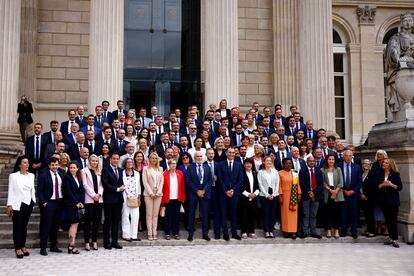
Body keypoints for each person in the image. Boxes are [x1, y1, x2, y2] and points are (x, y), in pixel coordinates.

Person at [6, 156, 36, 258]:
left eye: (28, 163)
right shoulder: (13, 176)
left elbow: (32, 189)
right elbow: (11, 190)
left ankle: (23, 246)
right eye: (24, 162)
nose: (27, 164)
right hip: (17, 204)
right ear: (19, 164)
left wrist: (33, 201)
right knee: (17, 226)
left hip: (28, 203)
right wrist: (9, 205)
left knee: (24, 226)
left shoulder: (32, 175)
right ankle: (17, 248)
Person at [37, 157, 65, 256]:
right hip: (49, 203)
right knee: (46, 226)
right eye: (52, 165)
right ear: (49, 166)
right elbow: (39, 191)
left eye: (56, 164)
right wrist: (44, 202)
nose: (54, 166)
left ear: (58, 165)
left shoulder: (62, 174)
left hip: (59, 203)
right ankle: (43, 248)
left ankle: (54, 246)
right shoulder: (44, 175)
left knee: (56, 226)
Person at [217, 147, 243, 241]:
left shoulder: (238, 165)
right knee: (223, 213)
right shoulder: (220, 165)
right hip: (223, 193)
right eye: (230, 152)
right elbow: (219, 179)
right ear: (226, 153)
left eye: (233, 153)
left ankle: (234, 233)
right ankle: (225, 233)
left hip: (234, 193)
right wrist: (226, 191)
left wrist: (233, 190)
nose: (232, 154)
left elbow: (240, 180)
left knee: (233, 213)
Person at [186, 151, 213, 241]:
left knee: (205, 214)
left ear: (203, 157)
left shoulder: (207, 167)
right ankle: (190, 234)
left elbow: (210, 180)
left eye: (201, 156)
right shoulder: (190, 167)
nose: (199, 158)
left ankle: (205, 234)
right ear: (194, 158)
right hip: (194, 193)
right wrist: (197, 191)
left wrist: (204, 190)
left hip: (205, 193)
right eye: (197, 156)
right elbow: (188, 181)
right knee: (191, 214)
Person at [377, 158, 403, 248]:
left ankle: (395, 239)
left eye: (386, 163)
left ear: (390, 165)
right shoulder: (380, 173)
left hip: (393, 201)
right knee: (387, 221)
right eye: (383, 162)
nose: (384, 164)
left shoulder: (395, 174)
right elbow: (376, 186)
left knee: (393, 221)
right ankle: (391, 238)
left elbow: (400, 187)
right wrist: (382, 185)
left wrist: (391, 184)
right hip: (383, 201)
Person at [102, 152, 125, 249]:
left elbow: (122, 182)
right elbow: (105, 184)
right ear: (110, 159)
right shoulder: (105, 170)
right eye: (114, 158)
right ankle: (107, 242)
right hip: (109, 199)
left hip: (118, 200)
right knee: (108, 221)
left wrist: (122, 187)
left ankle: (115, 242)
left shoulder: (120, 170)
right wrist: (117, 189)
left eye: (117, 159)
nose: (115, 160)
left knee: (116, 221)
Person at [81, 154, 104, 251]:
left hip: (99, 199)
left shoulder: (99, 171)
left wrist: (99, 194)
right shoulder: (84, 171)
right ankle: (87, 242)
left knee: (96, 221)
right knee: (88, 221)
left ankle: (94, 241)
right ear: (89, 161)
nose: (95, 162)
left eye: (96, 161)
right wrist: (93, 195)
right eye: (93, 161)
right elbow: (85, 184)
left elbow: (102, 185)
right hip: (89, 199)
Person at [61, 162, 85, 254]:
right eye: (71, 167)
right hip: (70, 205)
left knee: (75, 224)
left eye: (74, 168)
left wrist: (81, 202)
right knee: (73, 224)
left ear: (77, 168)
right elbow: (67, 192)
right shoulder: (66, 178)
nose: (72, 169)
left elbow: (82, 191)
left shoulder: (79, 178)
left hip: (78, 205)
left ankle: (72, 245)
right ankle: (71, 245)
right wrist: (76, 203)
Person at [339, 150, 362, 239]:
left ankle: (354, 231)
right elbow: (336, 180)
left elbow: (359, 181)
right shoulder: (339, 166)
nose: (348, 157)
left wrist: (353, 191)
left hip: (353, 194)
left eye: (350, 156)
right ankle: (343, 230)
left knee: (354, 213)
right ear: (343, 157)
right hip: (342, 193)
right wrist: (344, 190)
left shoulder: (356, 167)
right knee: (343, 213)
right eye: (346, 155)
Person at [299, 156, 323, 239]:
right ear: (307, 162)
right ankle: (305, 232)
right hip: (306, 196)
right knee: (306, 214)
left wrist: (314, 193)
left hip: (316, 196)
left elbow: (320, 185)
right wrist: (309, 192)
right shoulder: (302, 171)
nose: (312, 162)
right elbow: (302, 183)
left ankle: (313, 232)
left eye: (313, 161)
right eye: (310, 161)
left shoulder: (318, 171)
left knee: (313, 215)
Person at [321, 154, 344, 239]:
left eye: (333, 159)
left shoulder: (338, 169)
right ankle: (328, 230)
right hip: (327, 192)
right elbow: (322, 182)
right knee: (327, 213)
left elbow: (341, 182)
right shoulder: (322, 170)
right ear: (327, 160)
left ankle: (336, 230)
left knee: (336, 213)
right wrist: (330, 190)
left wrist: (335, 192)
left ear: (335, 161)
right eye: (329, 159)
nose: (331, 161)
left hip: (337, 193)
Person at [142, 152, 164, 240]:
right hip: (148, 194)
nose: (154, 160)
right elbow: (145, 181)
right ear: (149, 159)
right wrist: (151, 192)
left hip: (158, 194)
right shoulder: (145, 169)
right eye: (152, 158)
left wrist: (158, 192)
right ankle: (149, 233)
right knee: (149, 214)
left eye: (156, 158)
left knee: (155, 214)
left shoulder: (160, 169)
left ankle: (154, 232)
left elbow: (162, 181)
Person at [162, 159, 186, 240]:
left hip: (177, 198)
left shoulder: (180, 173)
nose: (174, 165)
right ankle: (167, 233)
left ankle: (176, 233)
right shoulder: (165, 174)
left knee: (176, 216)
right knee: (168, 216)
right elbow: (163, 187)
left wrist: (183, 197)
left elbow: (182, 186)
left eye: (175, 164)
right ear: (169, 165)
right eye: (172, 164)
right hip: (168, 198)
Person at [279, 158, 302, 239]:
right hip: (284, 195)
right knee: (285, 214)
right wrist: (280, 195)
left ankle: (293, 231)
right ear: (283, 165)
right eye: (287, 163)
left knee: (293, 214)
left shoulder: (295, 173)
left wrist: (299, 193)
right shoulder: (280, 173)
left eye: (290, 163)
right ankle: (286, 231)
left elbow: (298, 184)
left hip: (293, 195)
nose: (289, 165)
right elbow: (279, 185)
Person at [258, 156, 280, 238]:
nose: (269, 162)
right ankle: (266, 231)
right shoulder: (260, 172)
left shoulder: (275, 171)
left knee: (272, 213)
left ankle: (271, 230)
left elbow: (277, 183)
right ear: (264, 162)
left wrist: (274, 194)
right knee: (266, 213)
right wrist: (267, 195)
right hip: (264, 195)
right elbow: (260, 185)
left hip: (274, 195)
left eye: (270, 161)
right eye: (267, 161)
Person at [121, 158, 142, 241]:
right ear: (125, 164)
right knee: (125, 215)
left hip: (135, 197)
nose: (130, 163)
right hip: (125, 197)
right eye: (128, 162)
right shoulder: (122, 173)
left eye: (131, 162)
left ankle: (134, 235)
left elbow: (139, 185)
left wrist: (139, 196)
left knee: (135, 216)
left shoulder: (137, 174)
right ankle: (126, 235)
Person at [239, 159, 259, 239]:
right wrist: (248, 194)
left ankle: (251, 231)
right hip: (244, 198)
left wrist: (255, 194)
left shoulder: (254, 173)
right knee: (244, 215)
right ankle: (244, 231)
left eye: (250, 164)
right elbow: (241, 186)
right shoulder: (241, 174)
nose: (248, 165)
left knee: (252, 215)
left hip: (253, 197)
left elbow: (257, 186)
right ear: (244, 165)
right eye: (247, 164)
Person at [371, 149, 388, 235]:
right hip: (377, 190)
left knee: (387, 210)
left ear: (384, 155)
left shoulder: (388, 163)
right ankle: (379, 227)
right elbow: (372, 177)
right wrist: (377, 185)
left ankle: (386, 228)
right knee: (378, 210)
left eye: (380, 154)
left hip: (387, 190)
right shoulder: (374, 165)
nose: (379, 156)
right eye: (378, 154)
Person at [360, 159, 376, 237]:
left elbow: (374, 187)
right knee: (366, 215)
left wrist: (366, 195)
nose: (366, 165)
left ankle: (372, 231)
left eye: (368, 164)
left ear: (370, 166)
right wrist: (361, 194)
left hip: (370, 198)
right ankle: (368, 230)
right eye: (364, 163)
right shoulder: (361, 174)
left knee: (370, 215)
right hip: (362, 197)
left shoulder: (373, 174)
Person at [134, 151, 147, 232]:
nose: (139, 158)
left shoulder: (145, 167)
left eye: (141, 156)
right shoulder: (132, 167)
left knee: (142, 208)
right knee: (135, 208)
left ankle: (142, 224)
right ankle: (135, 224)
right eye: (138, 156)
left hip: (144, 189)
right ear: (135, 158)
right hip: (134, 190)